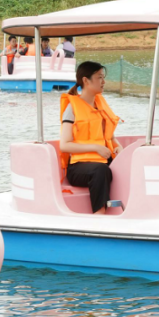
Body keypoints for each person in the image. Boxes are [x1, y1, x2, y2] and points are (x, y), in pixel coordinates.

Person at [59, 62, 123, 215]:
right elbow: (64, 145)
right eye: (99, 77)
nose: (103, 81)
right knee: (100, 170)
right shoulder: (72, 108)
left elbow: (109, 136)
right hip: (78, 167)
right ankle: (99, 215)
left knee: (129, 164)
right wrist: (95, 148)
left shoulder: (101, 104)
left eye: (103, 77)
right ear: (86, 80)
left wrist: (119, 147)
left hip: (102, 160)